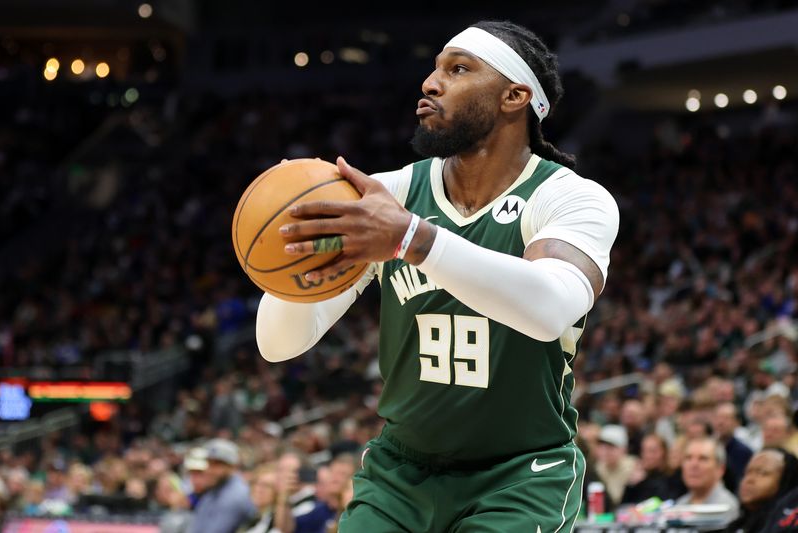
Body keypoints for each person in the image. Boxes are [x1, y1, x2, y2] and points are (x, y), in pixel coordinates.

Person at [256, 19, 619, 532]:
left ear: (514, 96)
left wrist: (412, 240)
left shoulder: (569, 198)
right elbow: (279, 343)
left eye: (458, 69)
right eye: (433, 69)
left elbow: (550, 308)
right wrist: (296, 264)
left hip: (520, 473)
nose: (430, 82)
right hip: (400, 475)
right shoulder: (391, 195)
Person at [189, 438, 257, 533]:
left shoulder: (236, 495)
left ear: (232, 466)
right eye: (209, 463)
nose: (210, 470)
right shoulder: (215, 488)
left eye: (217, 465)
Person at [725, 448, 798, 533]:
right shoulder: (737, 525)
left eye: (762, 473)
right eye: (747, 472)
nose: (749, 480)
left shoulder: (786, 526)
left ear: (785, 480)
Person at [675, 437, 740, 524]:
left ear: (720, 469)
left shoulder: (726, 508)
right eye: (688, 458)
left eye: (703, 459)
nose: (693, 465)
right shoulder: (680, 504)